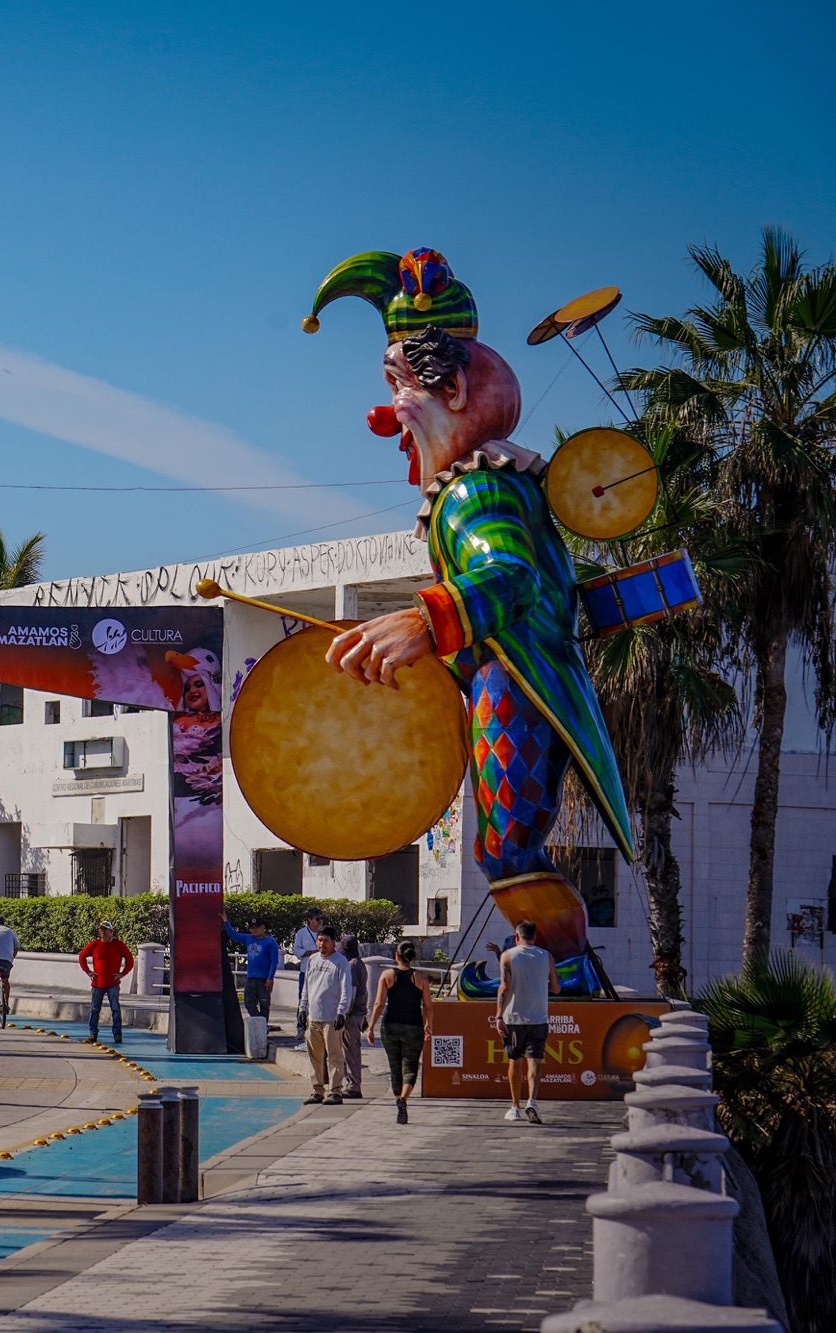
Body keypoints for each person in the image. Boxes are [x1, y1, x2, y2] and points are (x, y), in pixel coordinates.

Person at [308, 248, 635, 992]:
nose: (385, 414)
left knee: (508, 842)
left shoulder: (476, 492)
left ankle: (569, 971)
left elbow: (510, 574)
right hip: (503, 679)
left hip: (513, 684)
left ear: (452, 386)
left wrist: (428, 622)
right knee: (502, 842)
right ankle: (560, 969)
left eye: (397, 389)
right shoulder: (490, 481)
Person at [495, 918, 559, 1123]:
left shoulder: (507, 956)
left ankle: (515, 1106)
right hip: (538, 1017)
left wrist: (498, 1015)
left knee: (515, 1061)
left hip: (514, 1016)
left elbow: (504, 987)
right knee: (535, 1060)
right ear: (535, 936)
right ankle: (532, 1100)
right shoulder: (546, 956)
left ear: (516, 936)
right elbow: (556, 988)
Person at [367, 939, 433, 1124]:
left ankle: (398, 1101)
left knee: (394, 1067)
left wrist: (371, 1026)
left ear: (397, 956)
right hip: (414, 1025)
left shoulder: (388, 975)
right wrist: (429, 1025)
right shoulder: (420, 978)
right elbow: (428, 1007)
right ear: (412, 958)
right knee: (410, 1066)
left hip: (390, 1025)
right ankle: (404, 1098)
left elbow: (379, 1003)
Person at [298, 926, 353, 1105]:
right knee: (314, 1056)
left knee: (334, 1056)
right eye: (320, 940)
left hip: (332, 1017)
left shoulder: (340, 961)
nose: (322, 944)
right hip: (313, 1017)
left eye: (326, 941)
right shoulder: (312, 960)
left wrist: (341, 1012)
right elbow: (306, 986)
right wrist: (302, 1008)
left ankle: (335, 1091)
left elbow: (346, 989)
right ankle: (317, 1090)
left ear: (333, 942)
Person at [77, 920, 134, 1045]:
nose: (102, 932)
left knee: (115, 1009)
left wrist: (122, 973)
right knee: (94, 1009)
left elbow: (130, 960)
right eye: (101, 930)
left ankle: (117, 1034)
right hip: (98, 984)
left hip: (113, 984)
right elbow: (82, 957)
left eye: (105, 930)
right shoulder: (95, 944)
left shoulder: (118, 945)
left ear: (111, 932)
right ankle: (93, 1034)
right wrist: (89, 972)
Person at [223, 916, 280, 1018]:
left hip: (264, 979)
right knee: (249, 1003)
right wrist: (225, 921)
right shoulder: (248, 938)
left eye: (257, 927)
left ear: (263, 927)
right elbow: (233, 935)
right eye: (252, 927)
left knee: (264, 1005)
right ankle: (259, 1021)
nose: (255, 930)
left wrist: (270, 978)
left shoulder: (270, 942)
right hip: (251, 978)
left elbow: (274, 961)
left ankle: (263, 1026)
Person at [339, 934, 368, 1099]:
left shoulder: (351, 966)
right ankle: (352, 1084)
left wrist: (343, 1013)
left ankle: (353, 1086)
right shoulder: (360, 964)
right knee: (351, 1050)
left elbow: (351, 993)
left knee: (351, 1051)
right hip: (358, 1013)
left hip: (351, 1015)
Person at [292, 909, 326, 1037]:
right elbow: (297, 950)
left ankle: (316, 1028)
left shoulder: (324, 933)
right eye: (317, 919)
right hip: (306, 971)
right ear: (310, 920)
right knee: (303, 999)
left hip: (321, 971)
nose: (320, 922)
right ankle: (301, 1027)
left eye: (321, 919)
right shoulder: (302, 933)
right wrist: (312, 953)